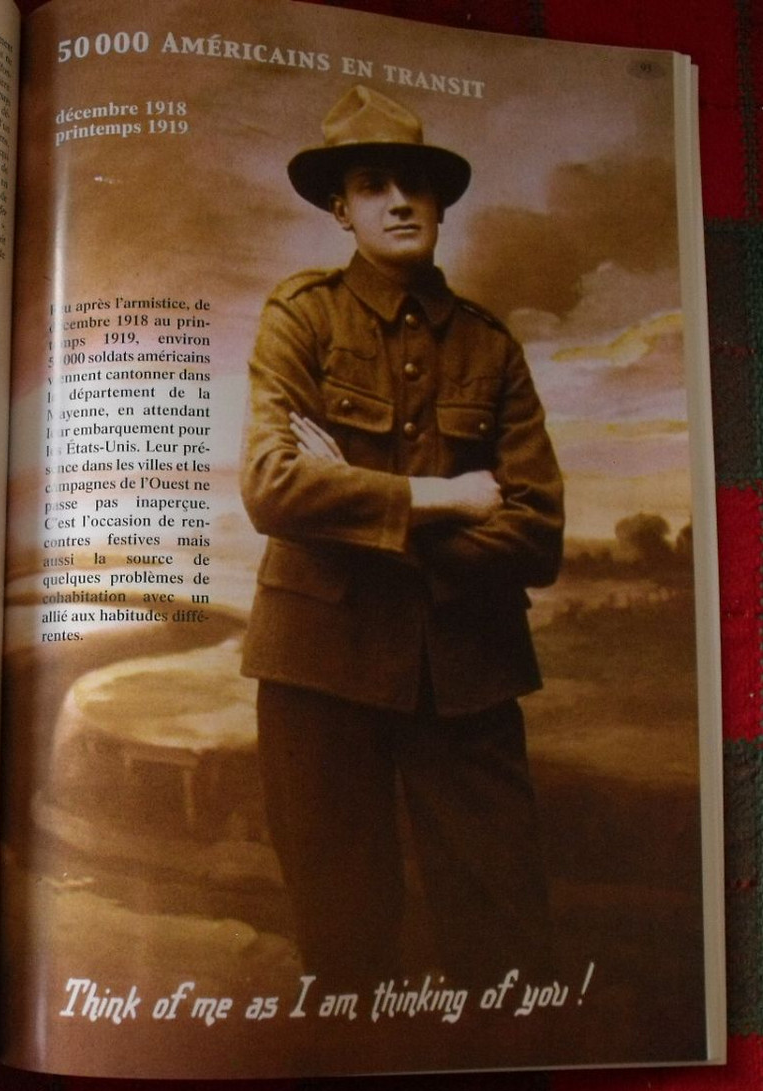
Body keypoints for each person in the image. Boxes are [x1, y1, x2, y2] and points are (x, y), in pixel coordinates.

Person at [240, 85, 564, 988]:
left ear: (442, 201)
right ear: (340, 210)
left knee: (505, 943)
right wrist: (448, 498)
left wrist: (351, 503)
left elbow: (537, 534)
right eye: (373, 184)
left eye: (416, 184)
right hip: (318, 670)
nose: (399, 201)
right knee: (345, 944)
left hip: (466, 669)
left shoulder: (490, 347)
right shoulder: (302, 317)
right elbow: (273, 487)